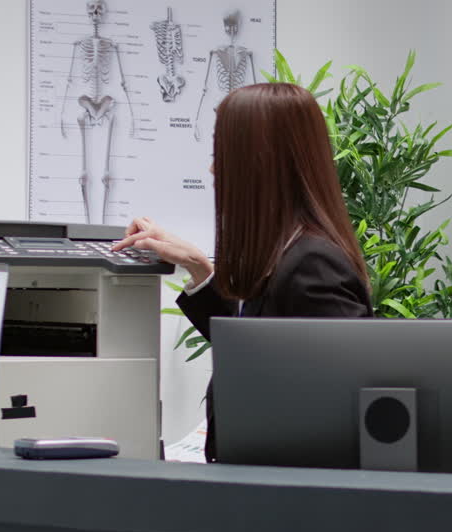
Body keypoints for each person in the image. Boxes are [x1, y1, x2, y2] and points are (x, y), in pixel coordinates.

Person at [111, 82, 373, 461]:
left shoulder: (313, 265)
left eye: (222, 153)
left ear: (261, 162)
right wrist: (200, 268)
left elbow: (342, 417)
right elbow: (262, 354)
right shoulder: (291, 251)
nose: (213, 168)